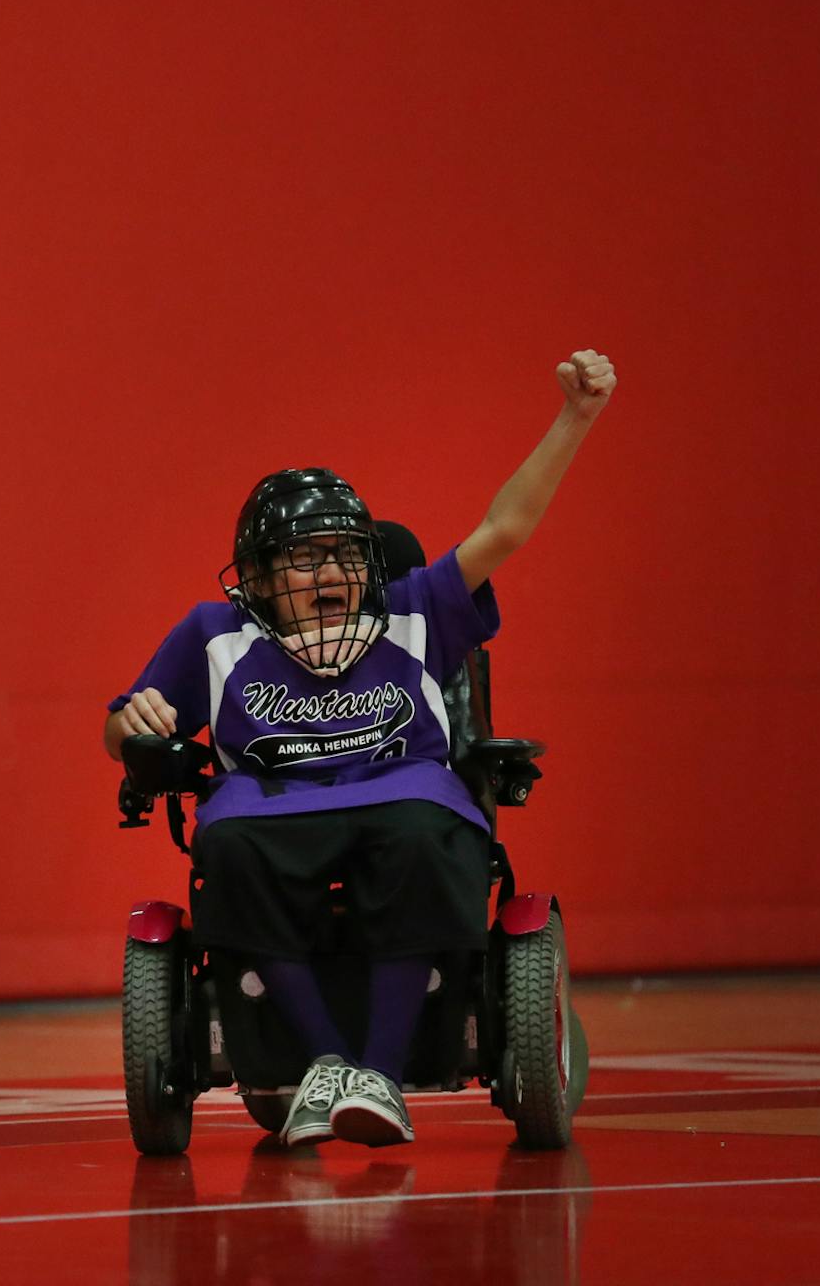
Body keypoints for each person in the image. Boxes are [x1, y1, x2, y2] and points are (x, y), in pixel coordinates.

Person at [104, 349, 618, 1147]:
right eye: (304, 557)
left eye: (344, 552)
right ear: (262, 575)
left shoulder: (415, 610)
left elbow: (506, 527)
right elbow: (125, 727)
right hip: (269, 805)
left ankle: (369, 1076)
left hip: (403, 792)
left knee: (425, 836)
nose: (329, 570)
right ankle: (331, 1066)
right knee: (228, 843)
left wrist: (574, 417)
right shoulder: (214, 634)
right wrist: (133, 723)